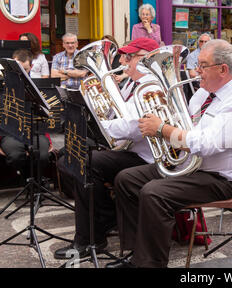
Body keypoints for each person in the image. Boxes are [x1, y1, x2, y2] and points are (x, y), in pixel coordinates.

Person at [107, 39, 232, 268]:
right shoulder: (203, 93)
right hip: (191, 166)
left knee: (153, 193)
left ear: (222, 69)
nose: (197, 71)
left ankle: (151, 264)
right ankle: (137, 253)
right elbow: (186, 126)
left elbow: (206, 143)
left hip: (217, 178)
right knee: (126, 179)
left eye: (202, 65)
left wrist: (162, 129)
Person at [53, 38, 160, 260]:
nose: (123, 60)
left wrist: (101, 124)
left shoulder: (152, 85)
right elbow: (114, 113)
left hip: (146, 156)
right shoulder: (131, 82)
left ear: (147, 58)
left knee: (83, 163)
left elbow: (135, 126)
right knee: (67, 158)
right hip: (129, 149)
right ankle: (106, 215)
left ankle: (90, 237)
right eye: (123, 56)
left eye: (130, 56)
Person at [0, 49, 51, 177]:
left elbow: (46, 117)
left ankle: (35, 183)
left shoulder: (37, 87)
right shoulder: (3, 86)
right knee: (16, 156)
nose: (20, 74)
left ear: (32, 67)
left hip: (34, 132)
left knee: (43, 156)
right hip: (9, 133)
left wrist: (48, 138)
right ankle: (25, 179)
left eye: (25, 70)